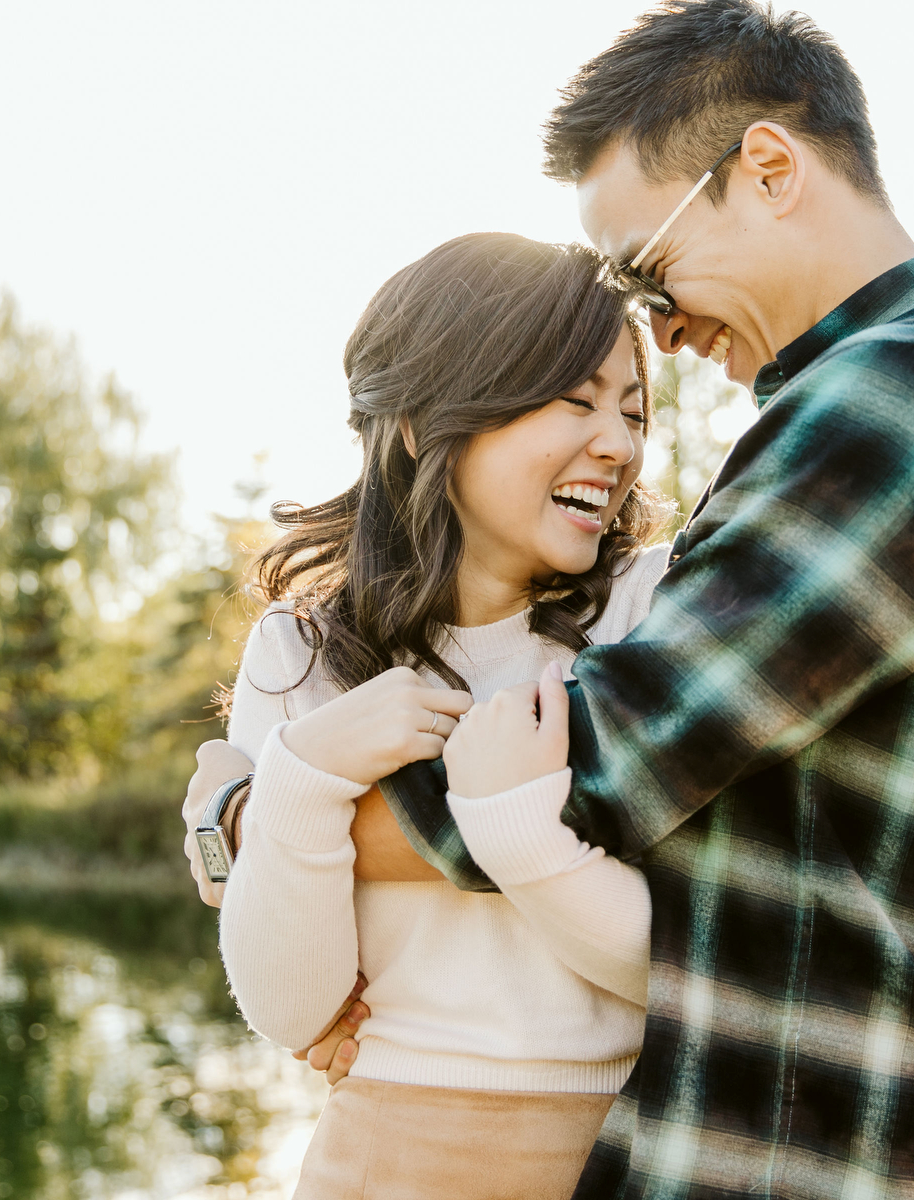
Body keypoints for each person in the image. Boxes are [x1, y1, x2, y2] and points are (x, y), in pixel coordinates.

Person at [190, 3, 914, 1197]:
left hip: (865, 1149)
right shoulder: (852, 407)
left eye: (648, 267)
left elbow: (607, 760)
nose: (657, 328)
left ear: (767, 168)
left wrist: (258, 816)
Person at [211, 231, 677, 1200]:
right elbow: (294, 1010)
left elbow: (692, 963)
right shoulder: (298, 656)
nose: (621, 445)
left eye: (632, 411)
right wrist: (299, 784)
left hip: (629, 1155)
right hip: (377, 1160)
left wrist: (520, 833)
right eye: (577, 398)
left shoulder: (656, 608)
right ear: (426, 421)